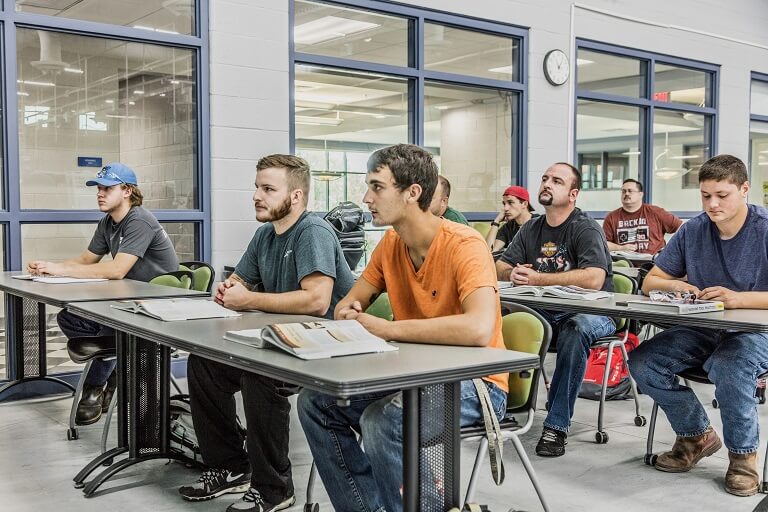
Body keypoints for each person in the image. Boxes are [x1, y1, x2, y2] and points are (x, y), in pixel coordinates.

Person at [297, 144, 508, 512]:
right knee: (316, 403)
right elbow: (350, 302)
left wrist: (386, 329)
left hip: (477, 383)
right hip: (411, 374)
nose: (367, 198)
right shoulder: (391, 244)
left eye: (377, 187)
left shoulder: (465, 244)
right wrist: (349, 311)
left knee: (384, 422)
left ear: (412, 192)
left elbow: (477, 329)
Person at [178, 154, 354, 512]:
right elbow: (240, 281)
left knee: (260, 374)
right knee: (204, 364)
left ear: (296, 196)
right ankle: (230, 466)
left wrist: (248, 299)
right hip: (284, 340)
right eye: (257, 188)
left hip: (324, 347)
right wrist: (229, 289)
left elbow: (317, 301)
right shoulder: (265, 235)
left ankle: (274, 488)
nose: (257, 196)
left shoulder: (313, 232)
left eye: (268, 189)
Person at [628, 154, 768, 497]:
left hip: (757, 332)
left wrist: (738, 299)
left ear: (744, 189)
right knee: (644, 361)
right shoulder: (693, 230)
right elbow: (650, 282)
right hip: (706, 328)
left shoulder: (764, 229)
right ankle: (696, 436)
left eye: (722, 195)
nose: (712, 204)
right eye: (705, 196)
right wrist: (676, 285)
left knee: (730, 364)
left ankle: (743, 457)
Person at [26, 163, 178, 426]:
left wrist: (61, 270)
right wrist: (49, 268)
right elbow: (87, 259)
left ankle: (94, 388)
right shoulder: (108, 222)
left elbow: (117, 270)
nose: (100, 193)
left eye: (107, 188)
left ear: (127, 191)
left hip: (157, 308)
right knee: (69, 318)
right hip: (128, 303)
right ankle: (116, 368)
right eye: (98, 188)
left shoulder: (139, 220)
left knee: (108, 326)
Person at [495, 162, 615, 457]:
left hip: (593, 312)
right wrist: (512, 273)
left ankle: (556, 425)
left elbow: (594, 278)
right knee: (500, 317)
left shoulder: (585, 228)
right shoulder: (531, 227)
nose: (547, 184)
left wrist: (537, 278)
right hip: (547, 311)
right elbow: (500, 265)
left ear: (573, 194)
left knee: (576, 330)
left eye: (557, 181)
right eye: (545, 178)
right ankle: (497, 405)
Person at [603, 178, 682, 254]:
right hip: (624, 262)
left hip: (654, 261)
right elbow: (603, 243)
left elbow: (681, 228)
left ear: (640, 194)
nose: (626, 194)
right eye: (623, 191)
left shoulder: (656, 212)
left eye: (630, 191)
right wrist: (621, 248)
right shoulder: (611, 217)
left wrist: (670, 251)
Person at [486, 185, 536, 252]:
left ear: (524, 204)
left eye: (510, 203)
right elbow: (489, 251)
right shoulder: (508, 227)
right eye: (504, 204)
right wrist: (496, 221)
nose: (505, 208)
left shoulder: (539, 223)